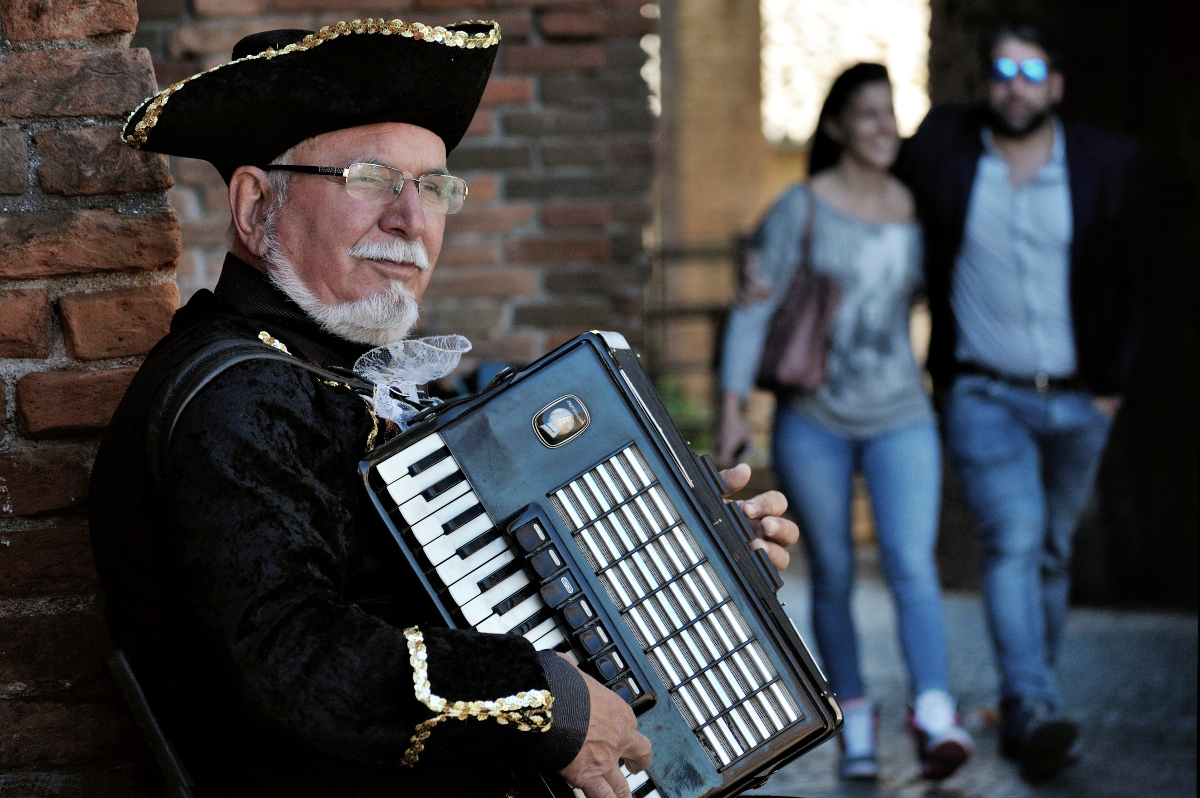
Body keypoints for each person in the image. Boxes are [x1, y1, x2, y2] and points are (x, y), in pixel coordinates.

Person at [89, 21, 798, 798]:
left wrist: (691, 572)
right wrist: (540, 700)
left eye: (433, 187)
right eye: (369, 178)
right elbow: (292, 657)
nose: (411, 220)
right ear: (257, 206)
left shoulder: (330, 379)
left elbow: (471, 593)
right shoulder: (238, 395)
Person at [894, 22, 1140, 780]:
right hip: (984, 392)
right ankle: (1031, 705)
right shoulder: (946, 149)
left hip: (1079, 402)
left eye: (1033, 71)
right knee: (1016, 539)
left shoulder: (1105, 161)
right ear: (983, 82)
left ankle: (1031, 695)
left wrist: (1112, 389)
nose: (1016, 84)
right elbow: (864, 177)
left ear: (1056, 85)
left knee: (1052, 553)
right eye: (1002, 68)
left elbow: (1131, 280)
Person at [718, 63, 973, 781]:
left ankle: (935, 712)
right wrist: (735, 410)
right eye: (866, 114)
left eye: (890, 113)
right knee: (830, 571)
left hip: (901, 415)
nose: (883, 127)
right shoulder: (800, 207)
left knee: (910, 563)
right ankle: (854, 716)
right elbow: (752, 310)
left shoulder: (920, 206)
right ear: (836, 127)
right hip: (815, 420)